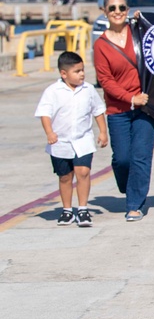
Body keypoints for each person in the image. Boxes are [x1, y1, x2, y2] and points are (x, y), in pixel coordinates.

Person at [93, 0, 154, 221]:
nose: (117, 12)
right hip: (118, 110)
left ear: (128, 10)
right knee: (122, 159)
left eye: (122, 7)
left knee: (140, 156)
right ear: (105, 12)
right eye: (112, 8)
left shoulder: (139, 33)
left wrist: (146, 19)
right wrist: (130, 99)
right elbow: (106, 81)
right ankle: (129, 185)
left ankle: (135, 204)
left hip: (146, 109)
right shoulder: (101, 46)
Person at [34, 51, 108, 227]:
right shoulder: (52, 91)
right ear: (63, 74)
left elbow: (97, 111)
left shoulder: (88, 90)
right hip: (60, 142)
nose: (82, 74)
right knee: (65, 176)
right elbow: (44, 113)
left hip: (83, 140)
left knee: (83, 172)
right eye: (77, 71)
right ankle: (67, 210)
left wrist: (103, 132)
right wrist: (49, 133)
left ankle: (83, 209)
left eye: (82, 70)